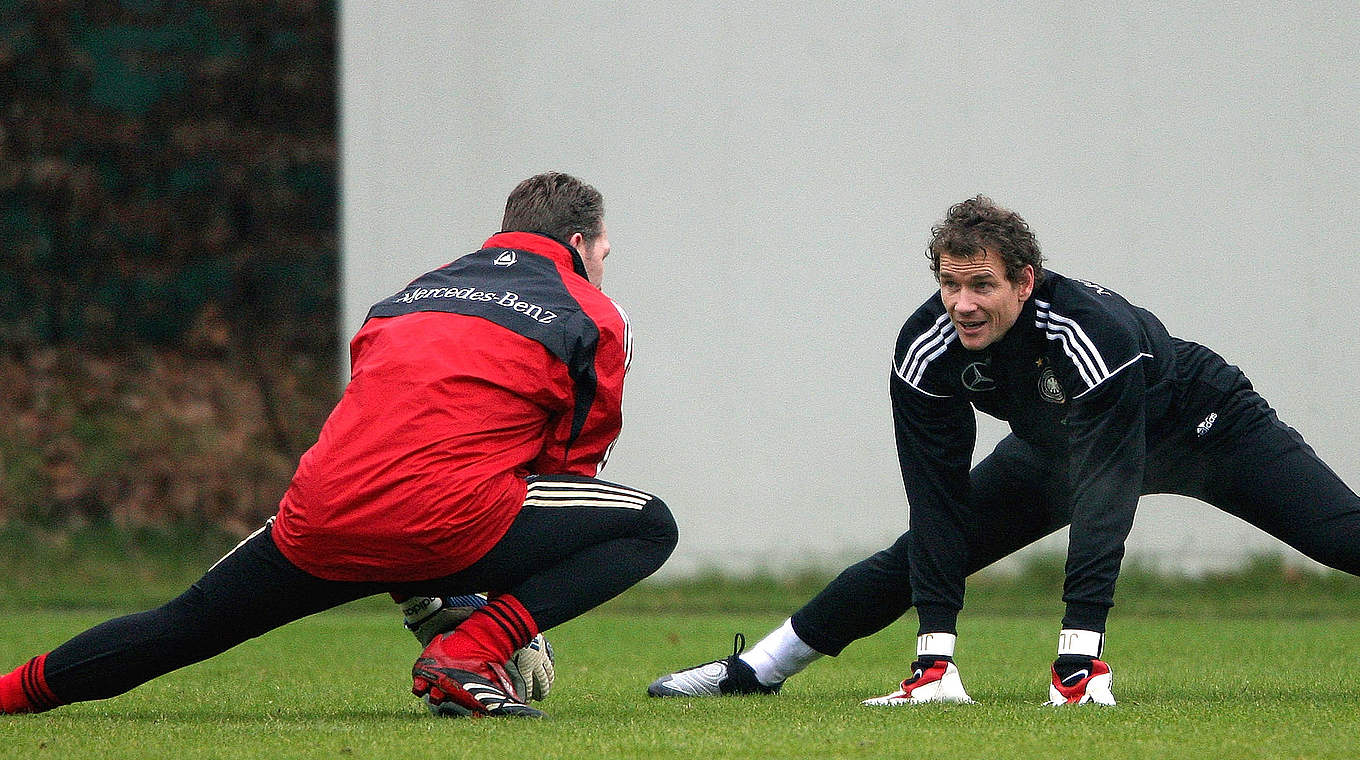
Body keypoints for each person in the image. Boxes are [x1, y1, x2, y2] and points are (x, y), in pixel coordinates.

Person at [0, 171, 678, 719]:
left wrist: (428, 590)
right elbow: (565, 477)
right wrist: (512, 624)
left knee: (182, 625)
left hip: (322, 514)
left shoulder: (414, 293)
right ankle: (471, 650)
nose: (603, 268)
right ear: (582, 242)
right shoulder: (592, 315)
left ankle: (10, 692)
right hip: (446, 519)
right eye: (603, 254)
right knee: (648, 527)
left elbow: (392, 439)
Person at [648, 195, 1360, 706]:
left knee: (1340, 536)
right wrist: (936, 658)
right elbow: (936, 506)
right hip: (1057, 449)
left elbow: (1104, 503)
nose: (963, 304)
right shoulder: (926, 350)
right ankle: (758, 671)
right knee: (913, 554)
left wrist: (1077, 661)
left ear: (1025, 281)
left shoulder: (1090, 333)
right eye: (950, 285)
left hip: (1201, 423)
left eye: (982, 285)